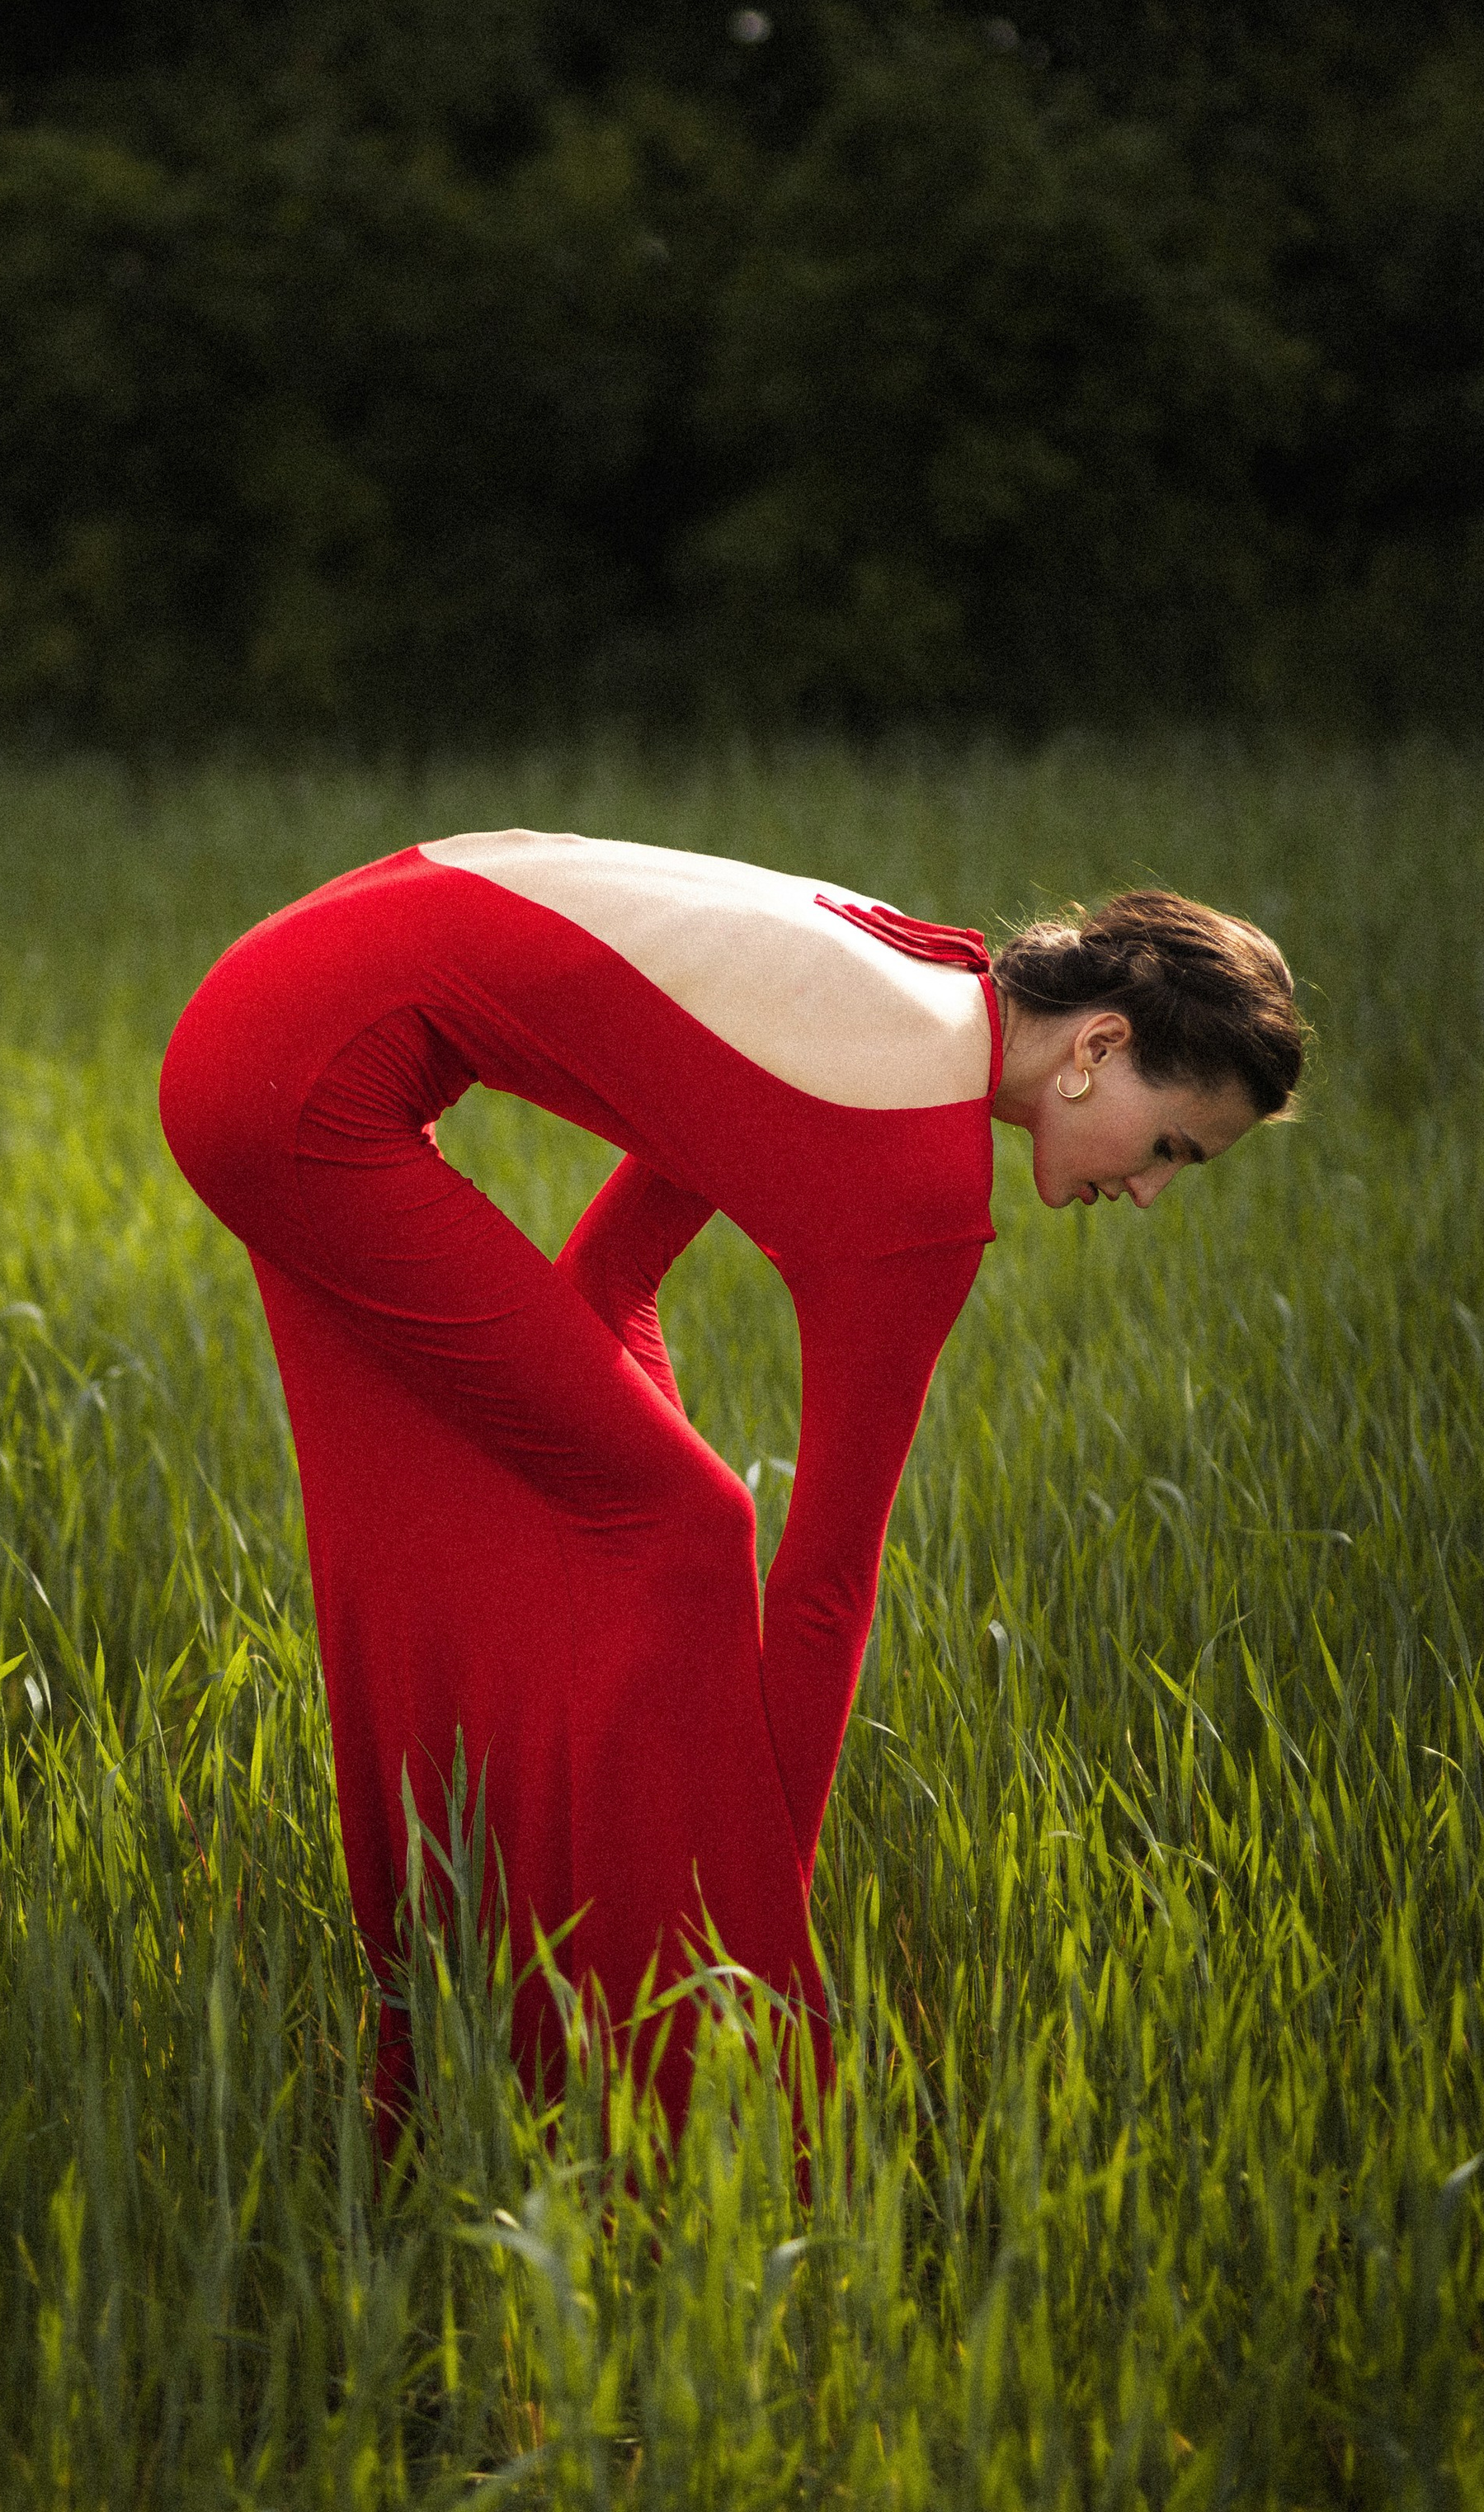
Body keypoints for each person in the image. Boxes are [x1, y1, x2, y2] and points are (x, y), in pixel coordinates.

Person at [158, 830, 1301, 2116]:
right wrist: (752, 1925)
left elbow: (609, 1280)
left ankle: (467, 2011)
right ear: (1097, 1045)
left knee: (541, 1524)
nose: (1149, 1193)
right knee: (688, 1520)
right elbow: (824, 1591)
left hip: (265, 1020)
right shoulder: (921, 1194)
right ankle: (619, 2027)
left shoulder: (912, 975)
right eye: (1173, 1147)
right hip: (301, 1089)